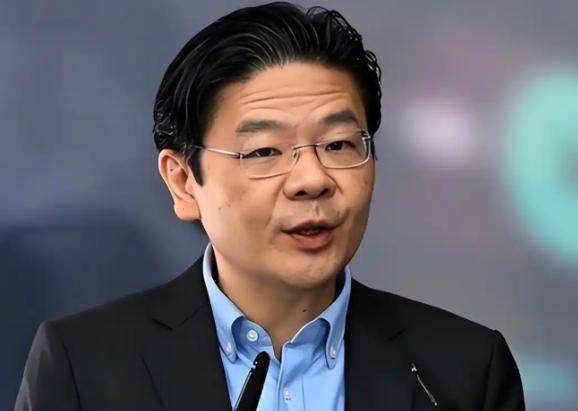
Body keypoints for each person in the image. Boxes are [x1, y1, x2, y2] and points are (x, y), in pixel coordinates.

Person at [15, 2, 525, 410]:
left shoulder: (464, 370)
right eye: (263, 152)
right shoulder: (84, 365)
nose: (312, 180)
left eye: (339, 144)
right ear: (183, 182)